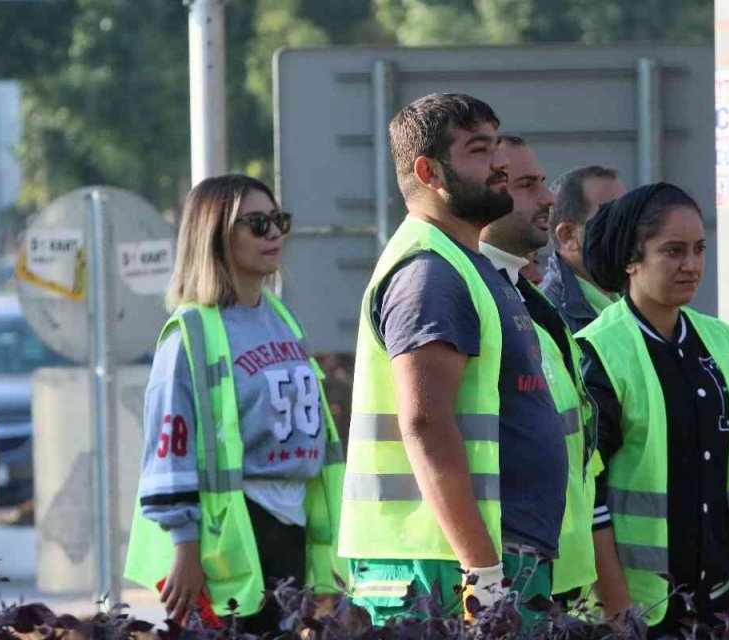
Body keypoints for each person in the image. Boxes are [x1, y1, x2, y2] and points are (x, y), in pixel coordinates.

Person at [339, 94, 568, 624]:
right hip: (445, 569)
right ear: (428, 170)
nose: (501, 164)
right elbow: (425, 421)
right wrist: (482, 571)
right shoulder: (431, 273)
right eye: (478, 150)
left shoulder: (469, 266)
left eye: (496, 146)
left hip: (486, 561)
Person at [575, 184, 729, 637]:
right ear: (631, 259)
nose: (692, 265)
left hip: (719, 605)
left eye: (699, 249)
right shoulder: (599, 352)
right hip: (640, 613)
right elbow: (587, 497)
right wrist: (618, 613)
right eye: (673, 251)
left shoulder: (723, 345)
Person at [125, 175, 345, 630]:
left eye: (278, 220)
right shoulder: (190, 333)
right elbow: (170, 446)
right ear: (215, 234)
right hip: (233, 535)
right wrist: (185, 547)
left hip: (293, 524)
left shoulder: (281, 316)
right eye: (257, 223)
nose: (275, 234)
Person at [478, 135, 601, 603]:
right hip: (511, 569)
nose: (547, 198)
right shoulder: (478, 296)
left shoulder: (529, 301)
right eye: (526, 184)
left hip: (557, 573)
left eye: (542, 183)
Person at [541, 166, 627, 332]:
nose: (629, 229)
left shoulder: (641, 301)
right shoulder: (547, 317)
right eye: (612, 218)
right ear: (568, 236)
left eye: (629, 216)